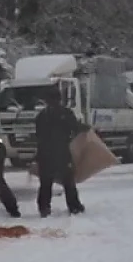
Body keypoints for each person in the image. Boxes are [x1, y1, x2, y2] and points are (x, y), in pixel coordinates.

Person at [34, 87, 91, 217]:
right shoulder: (65, 113)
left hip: (45, 154)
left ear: (46, 101)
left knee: (45, 183)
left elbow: (38, 136)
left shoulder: (41, 116)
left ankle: (44, 208)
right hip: (61, 153)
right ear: (59, 99)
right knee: (68, 182)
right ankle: (74, 207)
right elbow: (75, 128)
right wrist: (85, 129)